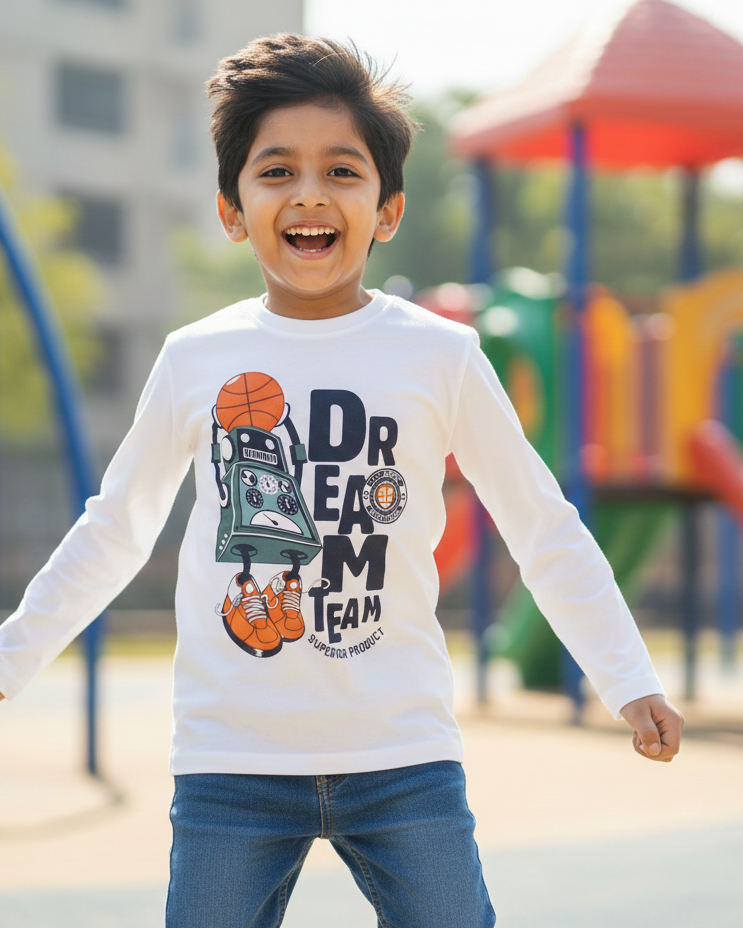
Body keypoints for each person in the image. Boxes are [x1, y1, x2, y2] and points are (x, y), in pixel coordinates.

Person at [0, 34, 683, 928]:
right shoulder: (195, 359)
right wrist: (11, 658)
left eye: (341, 172)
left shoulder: (442, 355)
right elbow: (116, 528)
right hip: (230, 765)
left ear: (387, 210)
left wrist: (627, 677)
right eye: (275, 171)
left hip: (401, 757)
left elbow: (540, 525)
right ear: (232, 210)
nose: (310, 193)